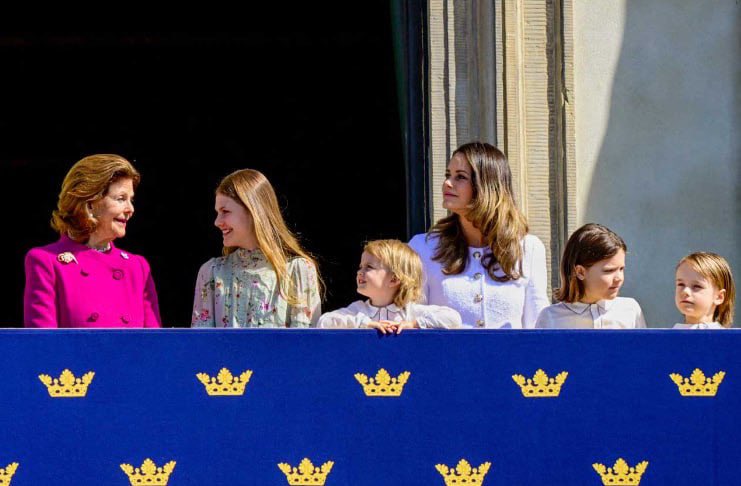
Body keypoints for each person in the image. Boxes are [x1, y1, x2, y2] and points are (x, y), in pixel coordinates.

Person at [409, 142, 548, 328]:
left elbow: (538, 323)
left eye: (460, 177)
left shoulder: (528, 248)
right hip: (445, 357)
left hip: (509, 357)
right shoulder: (423, 247)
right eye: (448, 175)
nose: (447, 183)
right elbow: (411, 318)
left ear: (487, 185)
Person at [24, 154, 161, 328]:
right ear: (90, 204)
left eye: (131, 200)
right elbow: (43, 346)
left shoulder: (137, 267)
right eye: (121, 199)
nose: (130, 209)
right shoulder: (46, 261)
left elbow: (154, 345)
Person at [191, 169, 321, 328]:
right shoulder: (211, 272)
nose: (217, 222)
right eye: (217, 212)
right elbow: (202, 346)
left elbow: (305, 346)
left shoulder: (297, 271)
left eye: (225, 211)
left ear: (253, 211)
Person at [318, 239, 461, 333]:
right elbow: (324, 322)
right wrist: (363, 323)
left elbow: (453, 318)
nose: (360, 272)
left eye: (369, 267)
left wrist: (414, 324)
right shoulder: (358, 310)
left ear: (394, 279)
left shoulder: (411, 312)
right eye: (360, 266)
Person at [535, 223, 645, 329]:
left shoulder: (630, 310)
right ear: (580, 272)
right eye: (609, 270)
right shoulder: (550, 318)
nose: (619, 278)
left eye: (621, 269)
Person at [672, 252, 735, 329]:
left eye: (697, 286)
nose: (685, 291)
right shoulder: (663, 338)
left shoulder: (729, 339)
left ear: (719, 297)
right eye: (681, 284)